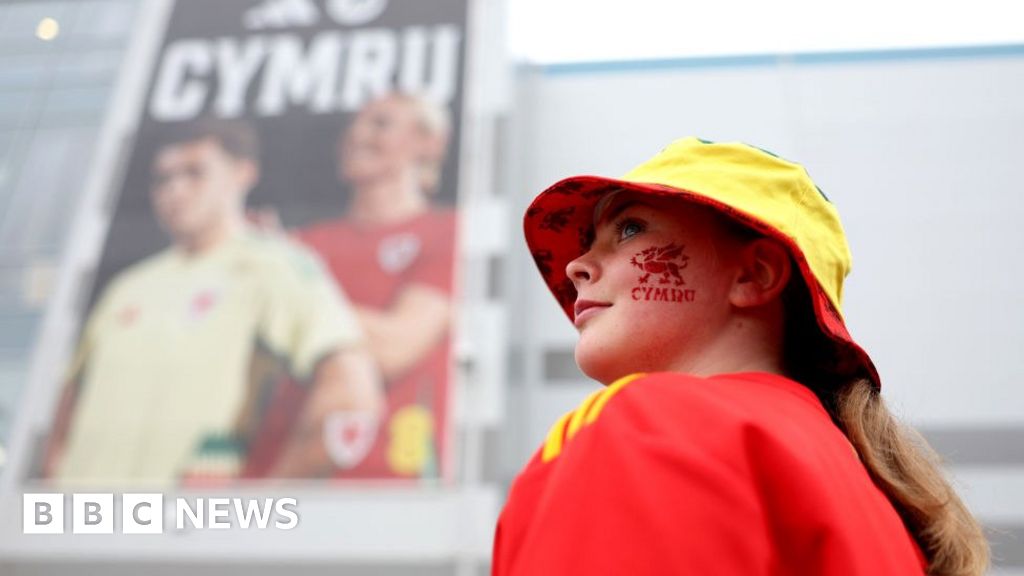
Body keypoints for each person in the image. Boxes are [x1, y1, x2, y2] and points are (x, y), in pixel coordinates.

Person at [493, 138, 989, 575]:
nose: (578, 266)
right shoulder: (876, 500)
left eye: (629, 229)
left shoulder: (653, 422)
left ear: (753, 276)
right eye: (589, 243)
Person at [44, 118, 383, 486]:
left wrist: (258, 508)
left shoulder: (275, 265)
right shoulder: (127, 287)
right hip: (78, 524)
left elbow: (352, 392)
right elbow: (64, 408)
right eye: (164, 178)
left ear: (242, 173)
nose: (175, 190)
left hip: (183, 533)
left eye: (194, 173)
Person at [294, 92, 456, 479]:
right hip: (286, 471)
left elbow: (394, 345)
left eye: (380, 124)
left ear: (428, 142)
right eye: (353, 125)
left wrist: (287, 300)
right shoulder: (307, 242)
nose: (357, 135)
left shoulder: (450, 232)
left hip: (391, 476)